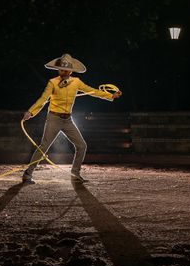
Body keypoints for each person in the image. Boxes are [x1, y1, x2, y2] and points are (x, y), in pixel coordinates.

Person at [21, 53, 122, 184]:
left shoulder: (76, 82)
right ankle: (28, 174)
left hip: (67, 120)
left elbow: (92, 91)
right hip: (54, 118)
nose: (62, 71)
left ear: (70, 70)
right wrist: (30, 112)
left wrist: (110, 96)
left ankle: (75, 174)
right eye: (61, 69)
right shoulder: (53, 82)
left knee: (82, 145)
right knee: (44, 146)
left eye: (65, 69)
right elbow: (43, 99)